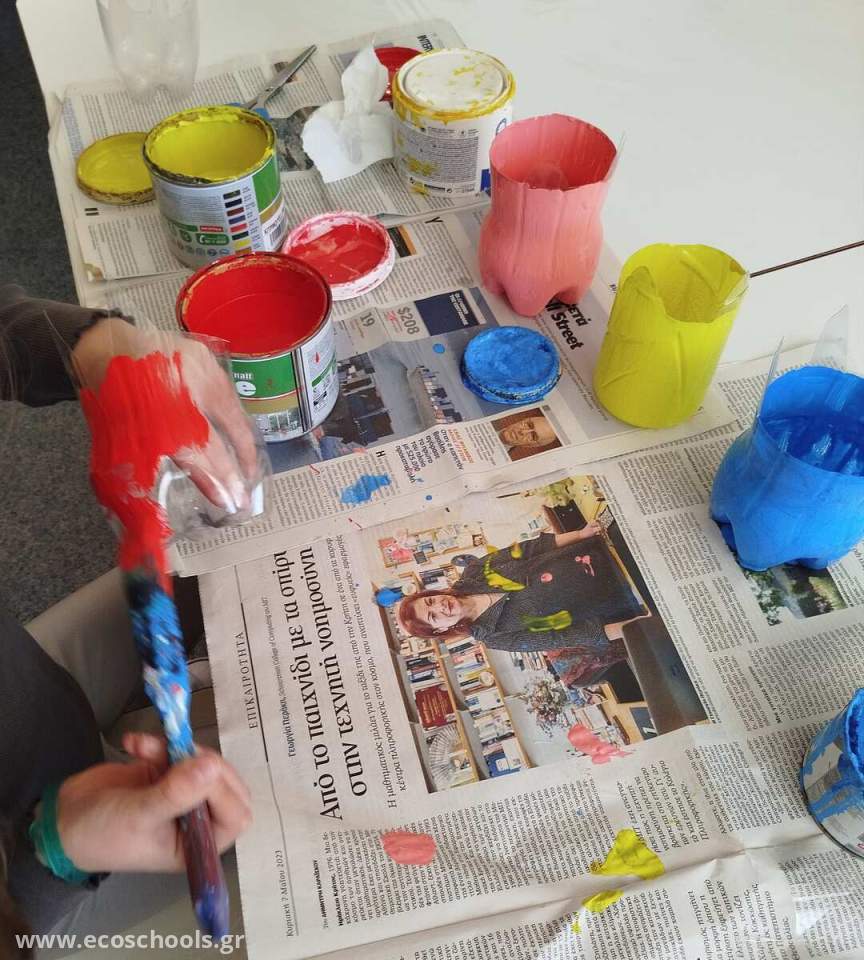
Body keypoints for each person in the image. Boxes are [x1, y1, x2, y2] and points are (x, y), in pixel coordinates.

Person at [0, 286, 254, 951]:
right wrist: (55, 845)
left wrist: (103, 349)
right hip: (42, 886)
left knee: (214, 574)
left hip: (31, 692)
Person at [395, 522, 647, 658]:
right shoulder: (495, 637)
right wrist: (638, 625)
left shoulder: (473, 572)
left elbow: (530, 549)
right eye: (433, 617)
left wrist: (581, 533)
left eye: (430, 601)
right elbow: (569, 636)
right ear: (440, 630)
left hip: (601, 549)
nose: (440, 606)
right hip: (625, 589)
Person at [496, 413, 560, 460]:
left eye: (533, 436)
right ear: (523, 419)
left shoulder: (500, 459)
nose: (522, 432)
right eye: (529, 425)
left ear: (529, 445)